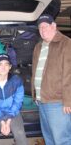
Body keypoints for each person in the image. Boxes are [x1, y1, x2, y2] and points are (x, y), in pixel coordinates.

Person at [31, 14, 71, 145]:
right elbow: (35, 71)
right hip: (41, 101)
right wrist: (35, 94)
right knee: (48, 138)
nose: (43, 30)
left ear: (54, 26)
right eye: (40, 28)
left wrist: (68, 101)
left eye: (45, 26)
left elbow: (69, 74)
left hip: (57, 102)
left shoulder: (66, 43)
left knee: (61, 140)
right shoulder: (38, 46)